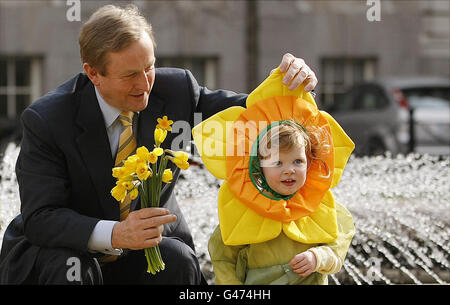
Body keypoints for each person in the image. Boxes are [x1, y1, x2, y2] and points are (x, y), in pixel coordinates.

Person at [0, 4, 318, 285]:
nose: (145, 85)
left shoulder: (177, 89)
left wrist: (293, 87)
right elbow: (42, 218)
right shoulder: (47, 119)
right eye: (130, 76)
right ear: (93, 73)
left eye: (149, 67)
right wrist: (115, 233)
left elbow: (252, 114)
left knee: (176, 259)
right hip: (67, 250)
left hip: (146, 251)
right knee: (71, 267)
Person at [193, 67, 355, 284]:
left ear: (310, 164)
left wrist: (318, 257)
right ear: (260, 166)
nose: (289, 170)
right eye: (277, 163)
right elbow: (223, 259)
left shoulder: (323, 208)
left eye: (298, 161)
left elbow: (338, 247)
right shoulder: (242, 211)